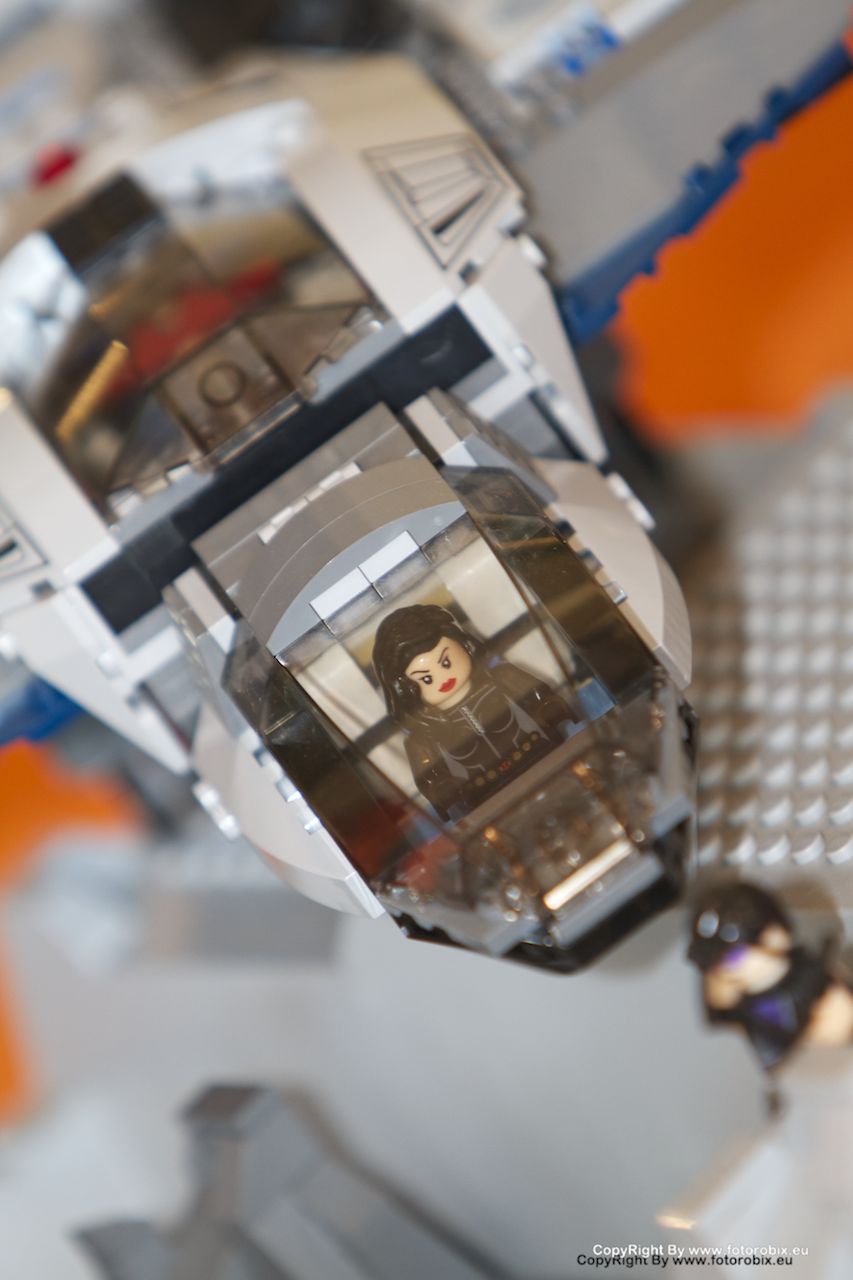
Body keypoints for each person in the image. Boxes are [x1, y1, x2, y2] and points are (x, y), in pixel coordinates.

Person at [372, 603, 574, 821]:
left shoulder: (502, 677)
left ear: (464, 645)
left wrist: (549, 708)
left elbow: (538, 695)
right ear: (405, 690)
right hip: (484, 788)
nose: (443, 678)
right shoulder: (423, 734)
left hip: (535, 752)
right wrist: (441, 787)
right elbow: (428, 774)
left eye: (446, 662)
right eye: (426, 678)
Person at [687, 880, 853, 1071]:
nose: (724, 970)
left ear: (774, 937)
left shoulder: (809, 982)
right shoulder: (731, 1001)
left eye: (733, 957)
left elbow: (836, 1024)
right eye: (711, 961)